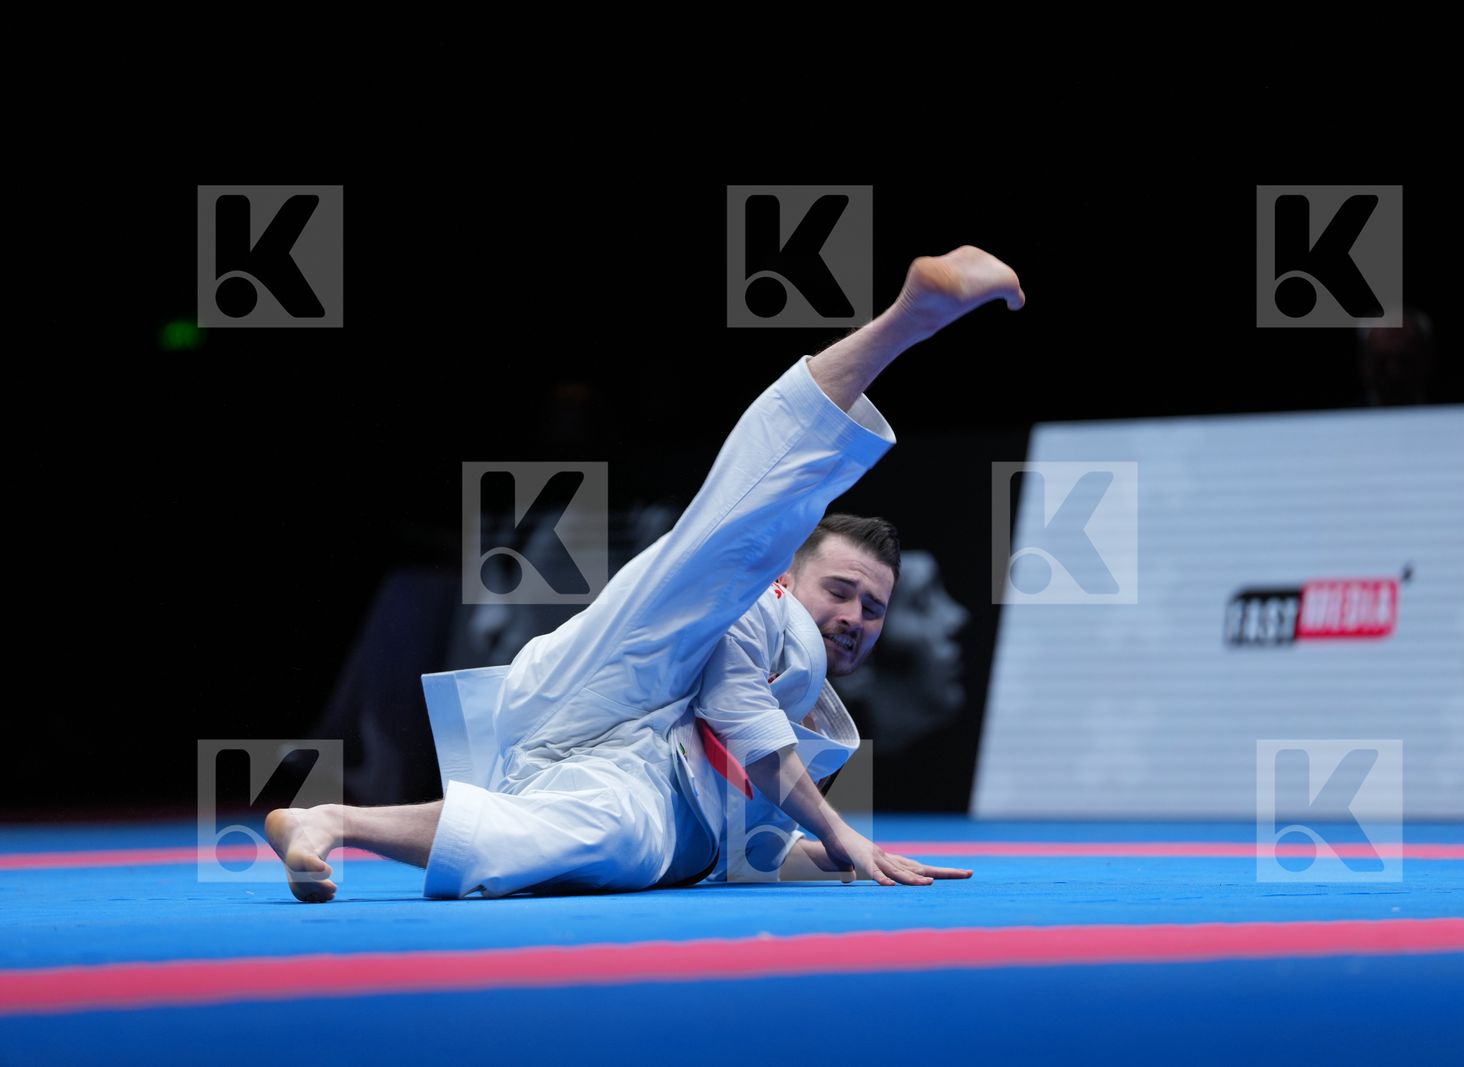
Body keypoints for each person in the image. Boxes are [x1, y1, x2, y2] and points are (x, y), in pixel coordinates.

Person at [266, 245, 1026, 901]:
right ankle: (908, 318)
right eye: (841, 588)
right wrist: (835, 825)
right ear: (793, 582)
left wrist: (829, 855)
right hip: (601, 682)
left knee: (620, 844)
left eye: (875, 606)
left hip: (618, 769)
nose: (857, 615)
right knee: (731, 546)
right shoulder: (768, 613)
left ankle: (330, 821)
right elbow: (737, 701)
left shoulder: (815, 722)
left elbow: (742, 849)